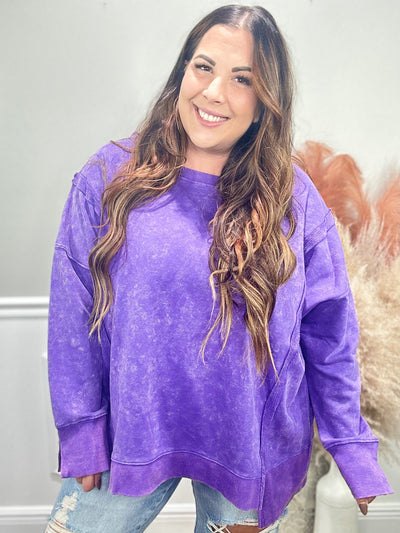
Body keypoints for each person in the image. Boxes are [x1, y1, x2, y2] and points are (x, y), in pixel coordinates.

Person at [45, 4, 392, 533]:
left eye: (242, 79)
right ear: (182, 71)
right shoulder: (109, 177)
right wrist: (82, 430)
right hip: (130, 431)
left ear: (265, 102)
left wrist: (351, 445)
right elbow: (73, 312)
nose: (213, 92)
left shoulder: (293, 201)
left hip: (251, 447)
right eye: (203, 67)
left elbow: (330, 332)